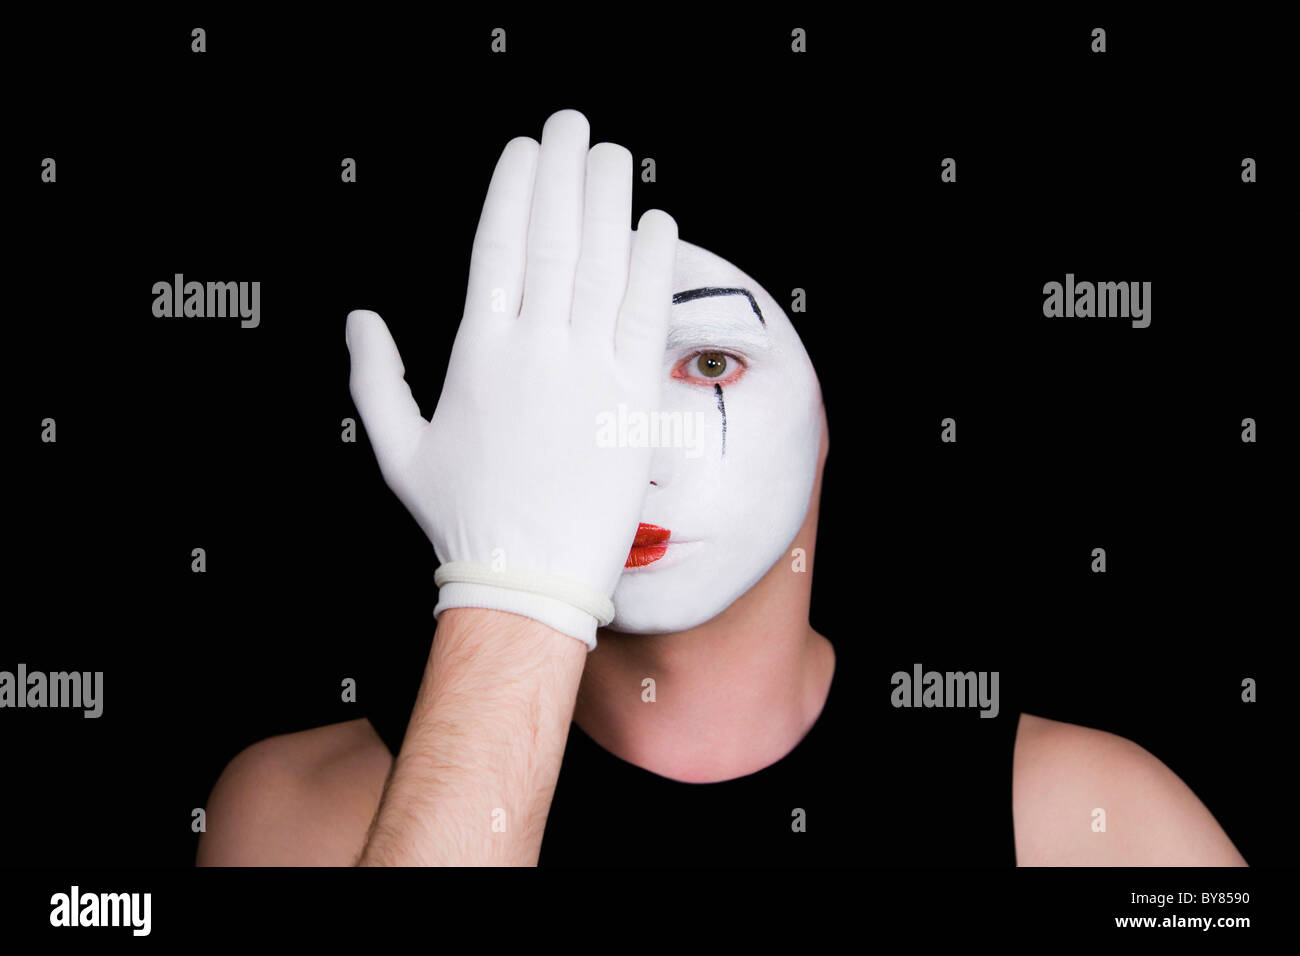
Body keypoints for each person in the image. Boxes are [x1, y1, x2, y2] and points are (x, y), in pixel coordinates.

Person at [195, 110, 1246, 867]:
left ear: (828, 412)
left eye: (706, 366)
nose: (623, 446)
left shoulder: (1086, 821)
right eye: (571, 381)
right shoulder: (304, 814)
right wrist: (511, 596)